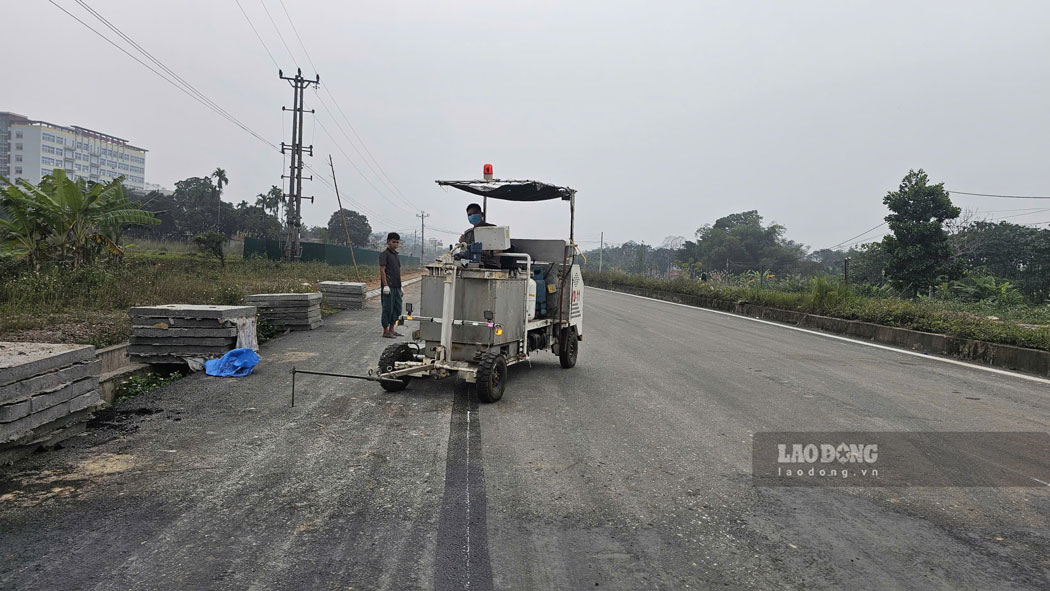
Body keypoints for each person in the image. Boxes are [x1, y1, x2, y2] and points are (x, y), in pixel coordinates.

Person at [458, 203, 501, 268]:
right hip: (472, 265)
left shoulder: (493, 230)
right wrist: (462, 244)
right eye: (469, 215)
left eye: (475, 213)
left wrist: (486, 252)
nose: (472, 216)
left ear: (482, 214)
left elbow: (498, 250)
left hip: (490, 265)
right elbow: (465, 253)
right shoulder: (468, 234)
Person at [378, 232, 403, 338]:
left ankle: (392, 329)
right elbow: (382, 270)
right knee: (387, 308)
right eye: (393, 242)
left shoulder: (396, 255)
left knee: (397, 308)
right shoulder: (384, 254)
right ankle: (385, 331)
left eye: (397, 242)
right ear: (388, 241)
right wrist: (385, 285)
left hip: (397, 286)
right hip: (388, 286)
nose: (395, 244)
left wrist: (401, 287)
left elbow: (397, 271)